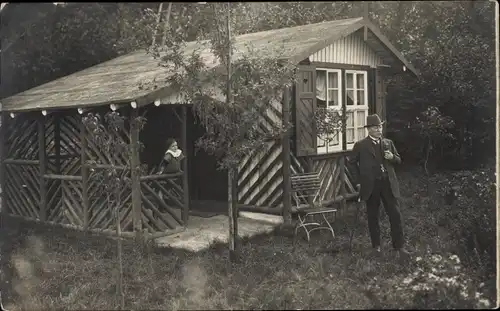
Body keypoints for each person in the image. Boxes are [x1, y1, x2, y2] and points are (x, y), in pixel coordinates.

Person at [348, 114, 410, 259]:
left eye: (380, 126)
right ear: (368, 129)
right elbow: (351, 164)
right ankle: (376, 247)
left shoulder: (388, 143)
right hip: (371, 186)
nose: (378, 129)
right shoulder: (361, 145)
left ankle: (399, 247)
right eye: (375, 127)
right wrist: (357, 182)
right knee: (372, 216)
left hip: (388, 184)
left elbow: (399, 160)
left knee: (395, 215)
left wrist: (392, 157)